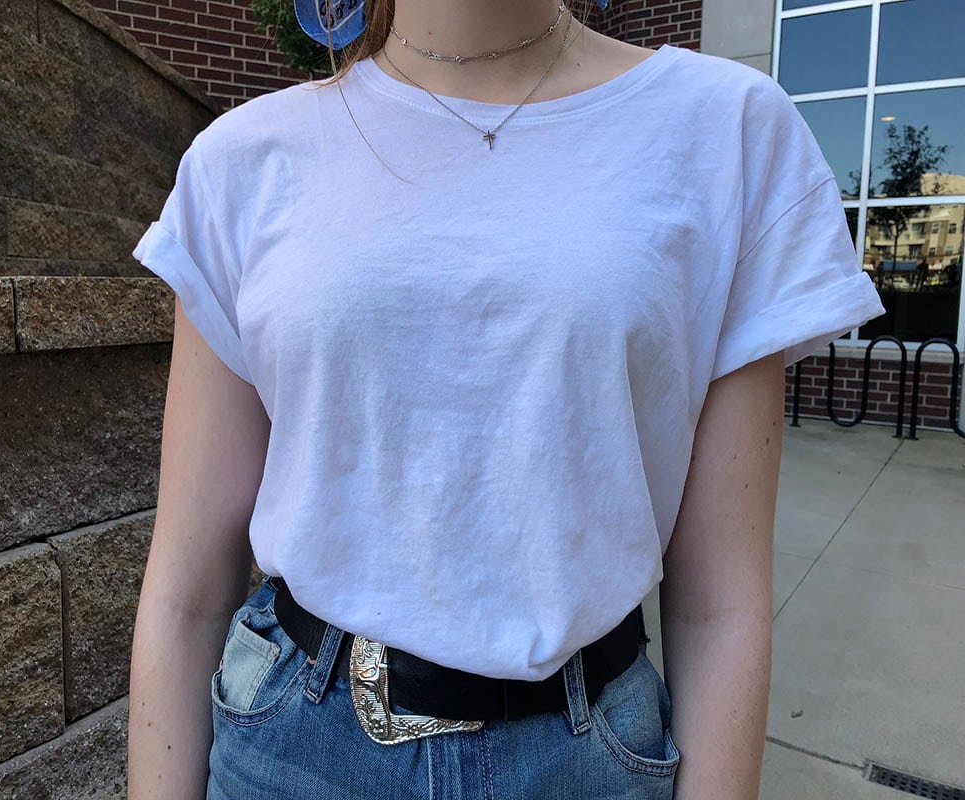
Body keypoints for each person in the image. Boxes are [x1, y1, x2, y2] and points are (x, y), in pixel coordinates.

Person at [126, 1, 886, 798]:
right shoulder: (240, 162)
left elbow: (720, 605)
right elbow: (186, 593)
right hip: (291, 752)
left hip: (590, 762)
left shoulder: (726, 129)